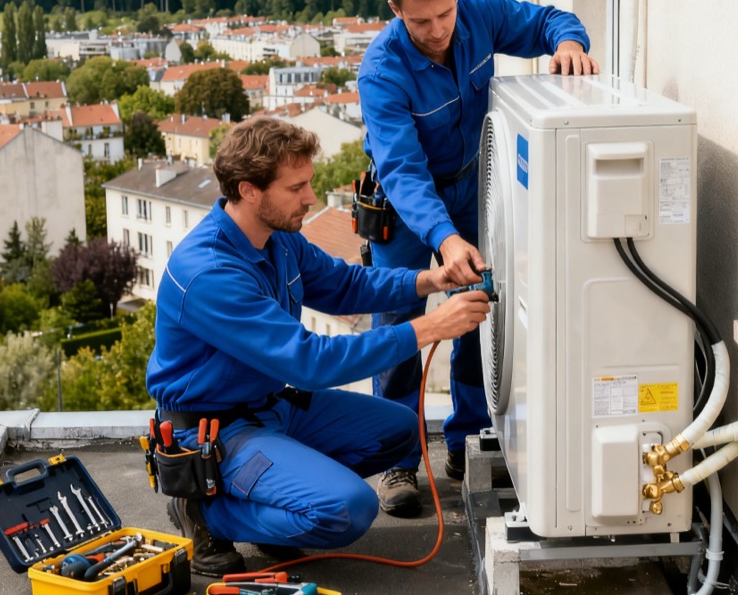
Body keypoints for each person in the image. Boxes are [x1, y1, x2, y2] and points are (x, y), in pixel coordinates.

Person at [146, 116, 491, 577]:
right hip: (215, 431)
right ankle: (201, 511)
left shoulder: (278, 239)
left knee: (401, 429)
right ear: (249, 190)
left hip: (270, 408)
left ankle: (277, 506)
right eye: (297, 188)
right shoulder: (209, 274)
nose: (310, 198)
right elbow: (310, 362)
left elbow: (344, 285)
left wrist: (431, 279)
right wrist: (430, 328)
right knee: (347, 509)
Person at [358, 0, 600, 518]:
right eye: (421, 21)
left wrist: (570, 44)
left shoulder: (479, 12)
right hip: (407, 208)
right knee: (399, 324)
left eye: (445, 14)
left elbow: (549, 21)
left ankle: (467, 437)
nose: (439, 30)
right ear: (395, 9)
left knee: (473, 307)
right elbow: (402, 170)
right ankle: (397, 459)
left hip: (473, 189)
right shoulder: (381, 71)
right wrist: (442, 237)